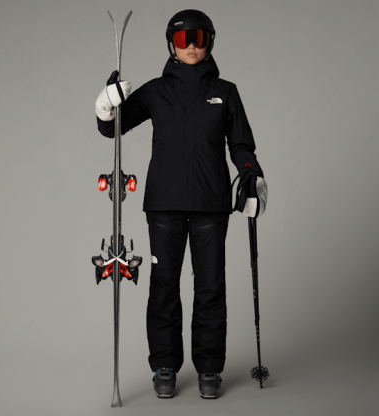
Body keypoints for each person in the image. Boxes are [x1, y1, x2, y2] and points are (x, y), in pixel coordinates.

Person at [95, 9, 268, 399]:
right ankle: (165, 365)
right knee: (163, 285)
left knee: (210, 286)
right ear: (171, 45)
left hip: (210, 203)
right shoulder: (157, 91)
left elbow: (242, 145)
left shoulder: (226, 91)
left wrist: (251, 177)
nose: (190, 45)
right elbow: (112, 128)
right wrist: (106, 104)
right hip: (164, 204)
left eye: (199, 37)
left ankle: (209, 368)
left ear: (210, 41)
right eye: (181, 38)